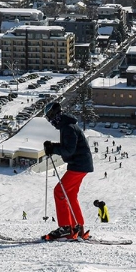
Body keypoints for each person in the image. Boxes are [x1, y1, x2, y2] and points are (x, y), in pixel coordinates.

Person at [42, 101, 94, 240]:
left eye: (49, 118)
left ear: (54, 115)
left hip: (79, 165)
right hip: (80, 164)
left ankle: (66, 227)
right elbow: (69, 146)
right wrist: (53, 146)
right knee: (69, 195)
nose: (50, 122)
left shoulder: (68, 127)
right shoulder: (67, 126)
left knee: (59, 191)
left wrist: (53, 148)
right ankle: (78, 228)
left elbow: (68, 150)